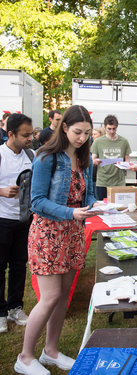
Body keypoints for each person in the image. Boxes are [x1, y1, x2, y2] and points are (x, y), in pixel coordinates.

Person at [14, 105, 99, 375]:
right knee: (49, 297)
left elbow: (90, 196)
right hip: (48, 233)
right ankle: (25, 357)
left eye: (86, 133)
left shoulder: (84, 160)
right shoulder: (46, 157)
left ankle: (50, 351)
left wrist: (106, 207)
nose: (82, 137)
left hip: (72, 233)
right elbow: (36, 202)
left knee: (63, 296)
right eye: (77, 132)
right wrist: (71, 212)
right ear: (64, 128)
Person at [0, 114, 34, 334]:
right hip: (2, 219)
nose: (30, 138)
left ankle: (15, 306)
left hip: (24, 219)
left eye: (31, 133)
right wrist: (1, 191)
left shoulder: (31, 155)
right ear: (10, 134)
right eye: (25, 135)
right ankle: (1, 313)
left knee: (19, 265)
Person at [91, 115, 131, 201]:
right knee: (103, 208)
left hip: (119, 182)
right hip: (103, 181)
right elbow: (92, 159)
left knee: (119, 207)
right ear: (105, 127)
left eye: (114, 128)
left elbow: (127, 159)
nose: (112, 131)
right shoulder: (98, 141)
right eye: (109, 129)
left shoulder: (124, 141)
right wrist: (95, 161)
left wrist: (125, 165)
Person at [91, 127, 105, 200]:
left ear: (101, 135)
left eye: (95, 134)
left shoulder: (104, 147)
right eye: (92, 134)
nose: (92, 136)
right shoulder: (91, 145)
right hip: (91, 178)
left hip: (99, 179)